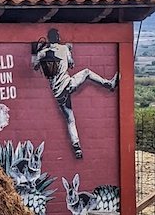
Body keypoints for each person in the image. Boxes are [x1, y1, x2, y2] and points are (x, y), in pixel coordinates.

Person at [30, 28, 118, 159]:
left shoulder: (42, 53)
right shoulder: (64, 49)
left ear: (48, 38)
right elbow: (71, 64)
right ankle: (109, 84)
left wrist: (36, 51)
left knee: (70, 120)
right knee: (87, 72)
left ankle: (77, 147)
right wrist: (69, 52)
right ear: (58, 37)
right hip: (68, 84)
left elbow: (35, 66)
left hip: (57, 92)